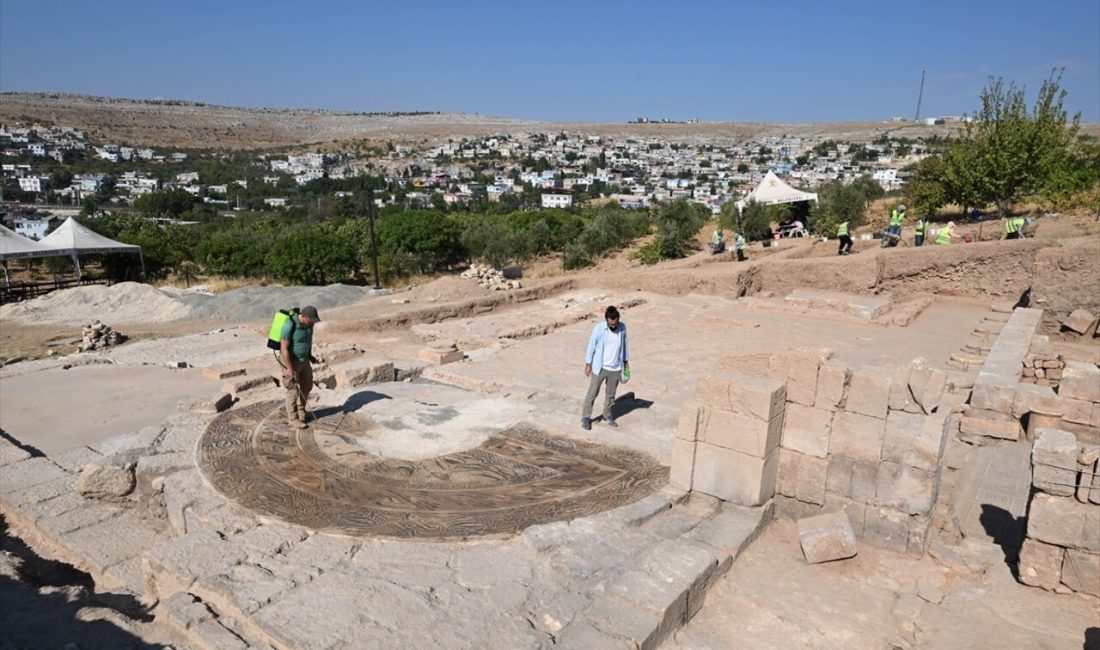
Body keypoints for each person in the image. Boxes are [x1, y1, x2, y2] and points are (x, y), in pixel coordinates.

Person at [581, 305, 629, 430]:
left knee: (610, 395)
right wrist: (588, 364)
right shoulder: (599, 328)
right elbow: (591, 346)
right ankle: (586, 417)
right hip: (600, 367)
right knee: (592, 393)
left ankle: (607, 415)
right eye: (611, 324)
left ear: (618, 320)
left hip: (615, 368)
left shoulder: (622, 328)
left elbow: (624, 346)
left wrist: (625, 363)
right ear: (606, 320)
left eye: (615, 324)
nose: (613, 327)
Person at [280, 305, 320, 429]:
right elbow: (284, 348)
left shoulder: (310, 324)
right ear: (303, 316)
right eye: (310, 320)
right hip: (290, 361)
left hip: (304, 360)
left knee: (307, 385)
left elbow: (307, 341)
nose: (312, 323)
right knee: (293, 390)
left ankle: (302, 410)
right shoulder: (289, 325)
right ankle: (293, 418)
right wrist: (289, 369)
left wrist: (310, 355)